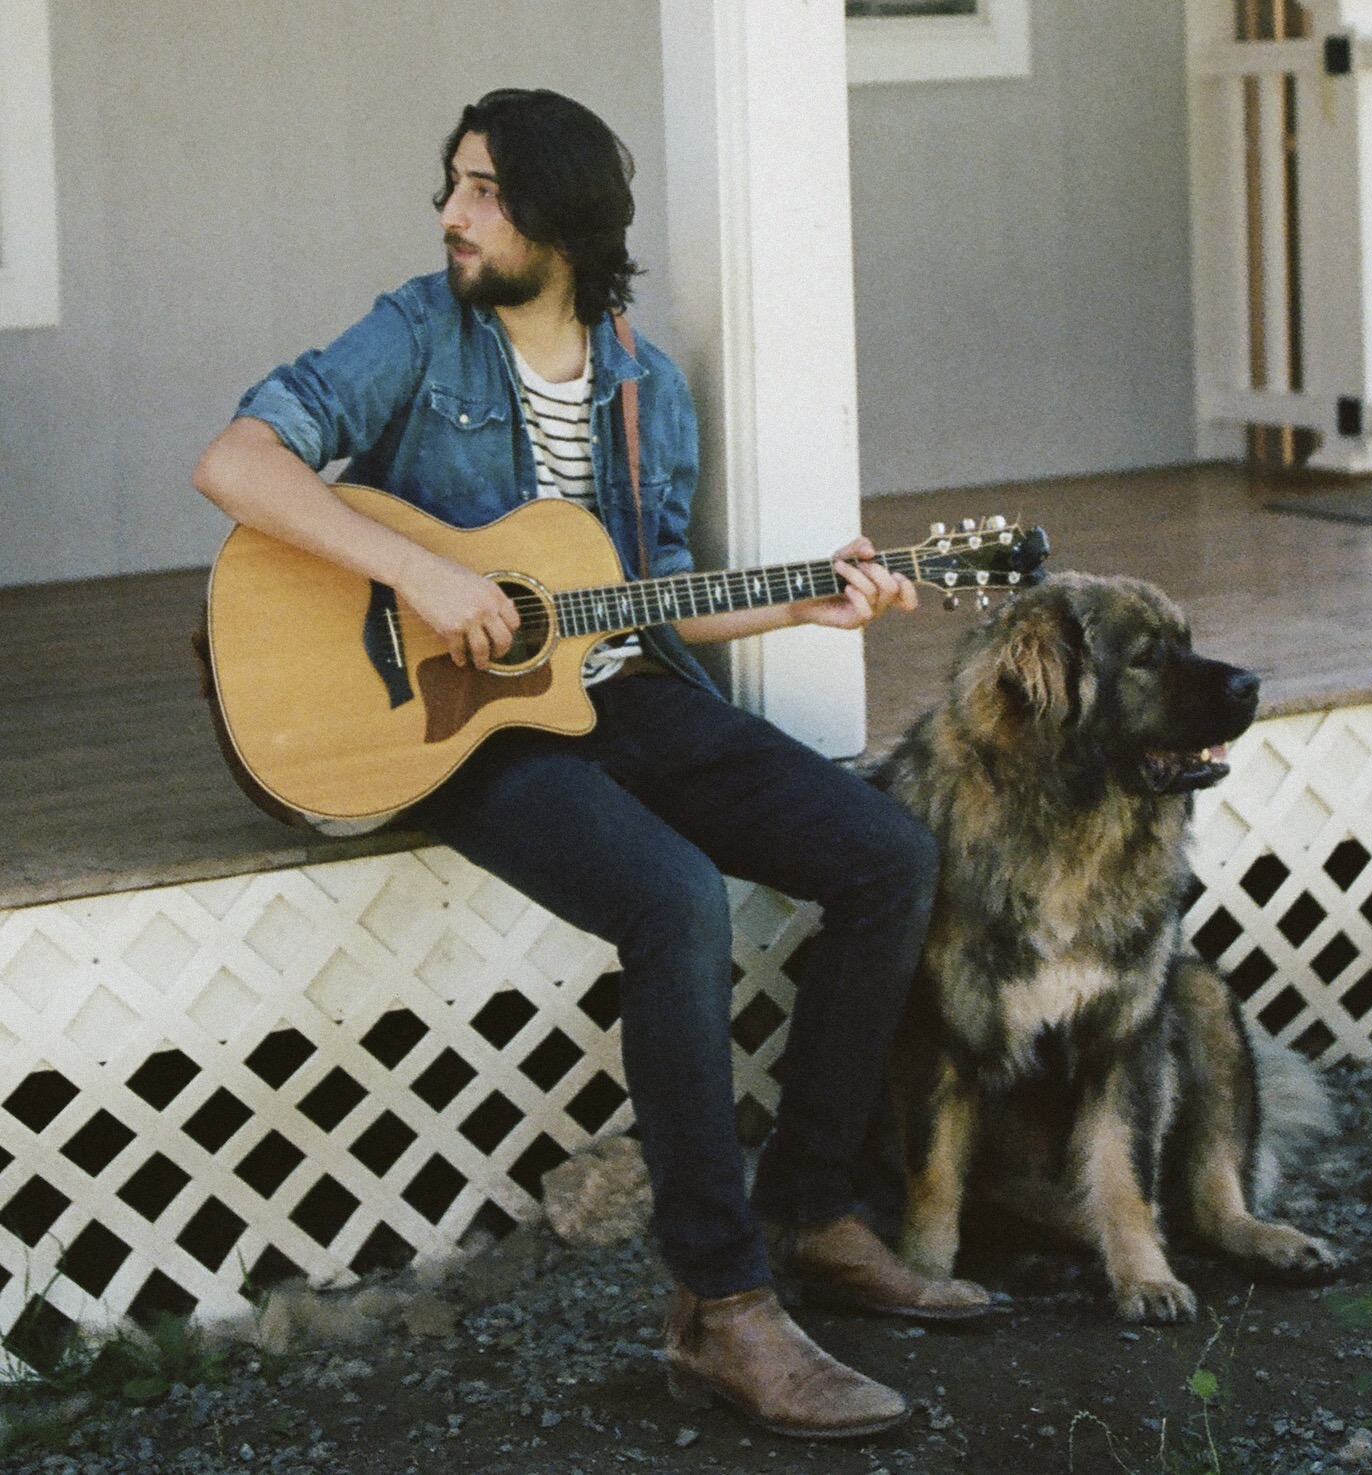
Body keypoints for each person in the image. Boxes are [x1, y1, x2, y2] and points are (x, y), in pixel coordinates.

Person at [194, 88, 988, 1440]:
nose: (451, 212)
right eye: (453, 183)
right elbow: (235, 459)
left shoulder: (642, 386)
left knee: (887, 852)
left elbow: (649, 594)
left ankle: (810, 1215)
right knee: (672, 896)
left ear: (561, 217)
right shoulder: (416, 333)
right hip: (447, 724)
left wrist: (807, 602)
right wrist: (423, 577)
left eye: (485, 190)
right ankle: (720, 1307)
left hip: (614, 692)